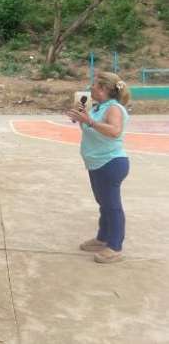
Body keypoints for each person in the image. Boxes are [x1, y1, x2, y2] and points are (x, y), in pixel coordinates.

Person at [66, 72, 131, 264]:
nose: (90, 88)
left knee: (112, 206)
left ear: (103, 89)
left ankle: (115, 247)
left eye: (94, 85)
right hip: (97, 162)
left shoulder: (114, 109)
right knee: (104, 203)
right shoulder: (98, 106)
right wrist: (81, 118)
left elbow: (114, 131)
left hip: (110, 163)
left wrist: (90, 121)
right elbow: (91, 131)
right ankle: (102, 238)